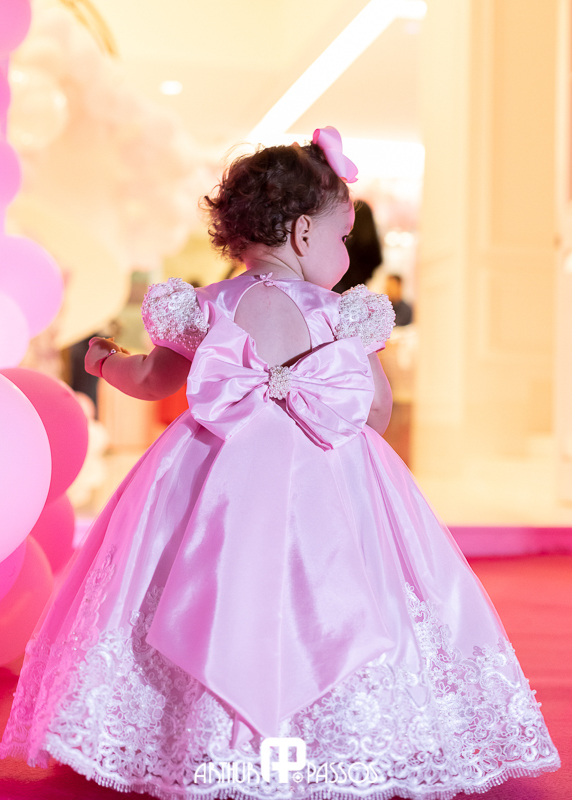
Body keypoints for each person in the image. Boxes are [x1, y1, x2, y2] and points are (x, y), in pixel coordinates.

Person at [0, 126, 559, 799]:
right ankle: (335, 736)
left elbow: (150, 380)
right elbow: (373, 412)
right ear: (302, 233)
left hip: (210, 471)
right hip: (329, 473)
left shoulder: (202, 306)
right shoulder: (343, 316)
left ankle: (190, 733)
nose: (345, 253)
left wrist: (104, 363)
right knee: (343, 589)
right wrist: (329, 388)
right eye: (342, 236)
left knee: (192, 582)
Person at [332, 199, 382, 293]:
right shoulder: (373, 242)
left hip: (342, 288)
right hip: (360, 289)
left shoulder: (347, 241)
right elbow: (378, 261)